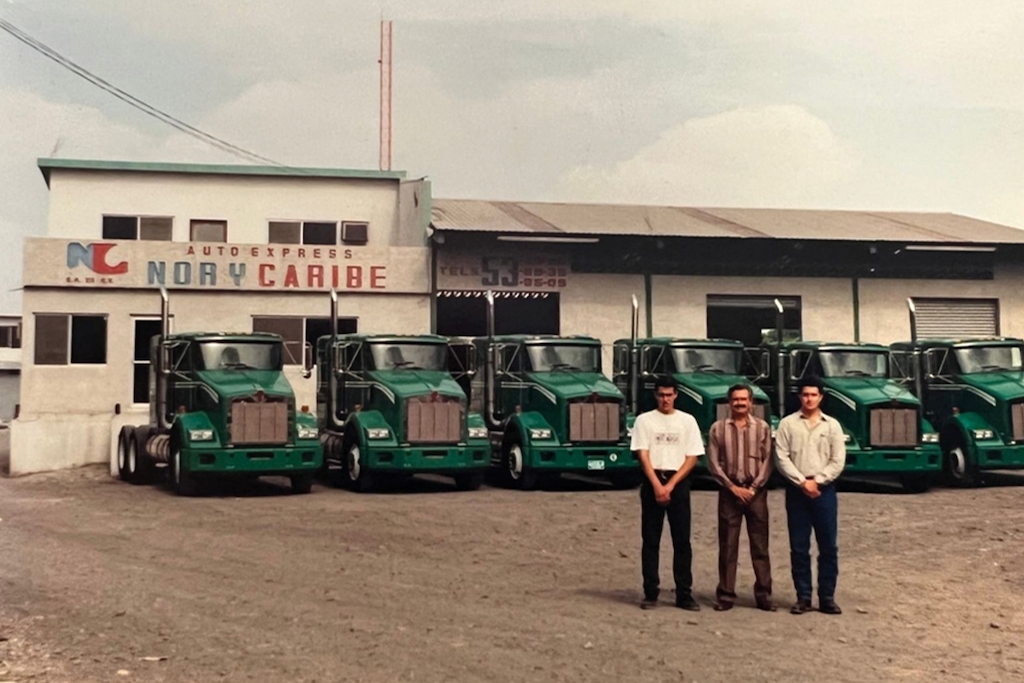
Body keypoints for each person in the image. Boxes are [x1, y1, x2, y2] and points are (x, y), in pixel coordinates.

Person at [631, 376, 705, 611]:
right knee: (651, 540)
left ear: (676, 395)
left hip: (678, 482)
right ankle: (650, 592)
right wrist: (656, 484)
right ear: (656, 395)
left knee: (682, 541)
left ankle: (684, 594)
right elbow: (642, 454)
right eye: (661, 395)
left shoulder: (687, 421)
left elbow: (692, 456)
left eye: (669, 394)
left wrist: (671, 485)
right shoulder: (644, 421)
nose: (665, 399)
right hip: (653, 480)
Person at [775, 375, 846, 615]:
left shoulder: (832, 425)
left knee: (828, 546)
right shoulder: (788, 424)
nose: (809, 399)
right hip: (797, 492)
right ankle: (803, 597)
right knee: (799, 547)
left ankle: (827, 597)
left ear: (821, 397)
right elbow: (781, 457)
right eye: (805, 394)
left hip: (824, 491)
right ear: (799, 397)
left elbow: (838, 460)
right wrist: (802, 482)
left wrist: (818, 481)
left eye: (814, 395)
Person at [707, 384, 775, 612]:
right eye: (735, 399)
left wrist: (754, 488)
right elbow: (713, 464)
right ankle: (726, 595)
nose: (739, 403)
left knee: (760, 546)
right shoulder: (717, 429)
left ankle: (764, 595)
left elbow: (768, 462)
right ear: (729, 402)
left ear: (751, 402)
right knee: (727, 546)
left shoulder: (763, 428)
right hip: (729, 493)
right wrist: (732, 487)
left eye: (743, 399)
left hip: (756, 493)